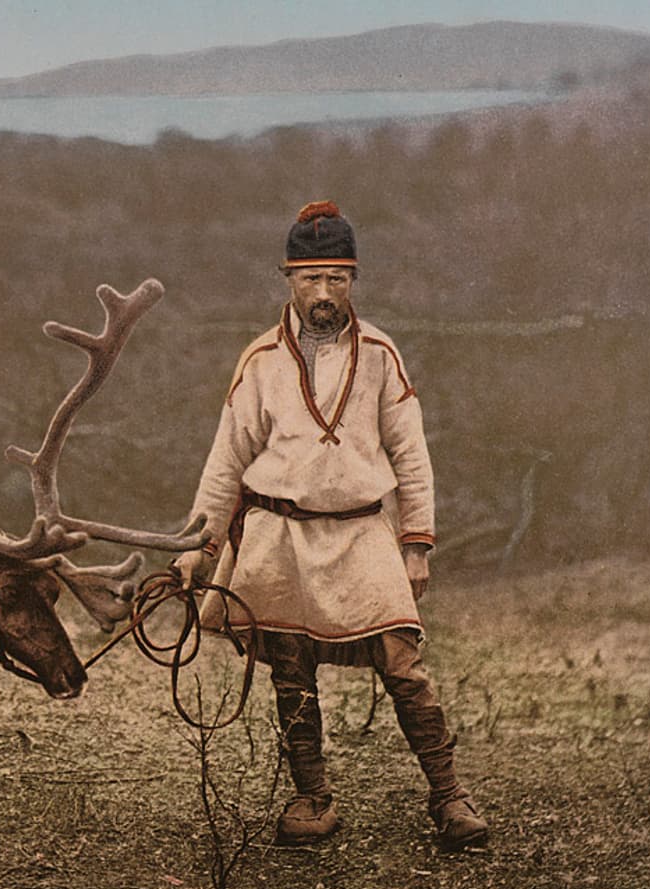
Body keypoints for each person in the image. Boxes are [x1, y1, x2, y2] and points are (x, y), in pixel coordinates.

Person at [174, 201, 488, 852]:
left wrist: (417, 543)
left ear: (353, 281)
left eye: (337, 280)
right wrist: (197, 546)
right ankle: (312, 798)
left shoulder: (379, 354)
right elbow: (227, 457)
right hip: (277, 537)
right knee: (290, 669)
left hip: (361, 532)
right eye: (311, 279)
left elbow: (410, 453)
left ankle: (449, 797)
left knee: (403, 665)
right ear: (288, 279)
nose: (323, 294)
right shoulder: (260, 360)